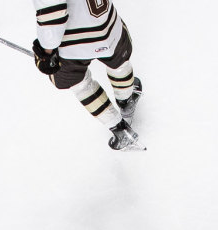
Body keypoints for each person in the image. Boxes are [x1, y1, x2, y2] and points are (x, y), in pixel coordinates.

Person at [32, 0, 144, 150]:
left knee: (80, 84)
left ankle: (120, 130)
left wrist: (46, 52)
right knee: (119, 64)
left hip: (73, 41)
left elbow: (52, 14)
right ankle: (127, 100)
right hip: (107, 22)